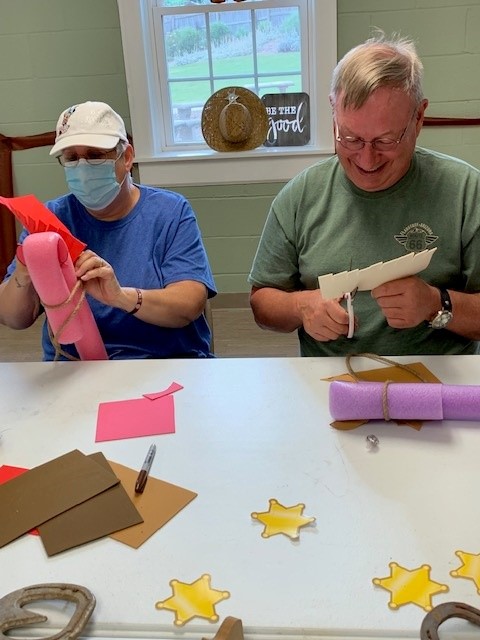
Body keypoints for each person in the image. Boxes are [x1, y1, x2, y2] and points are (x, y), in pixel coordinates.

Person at [248, 32, 480, 356]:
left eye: (386, 141)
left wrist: (436, 304)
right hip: (333, 383)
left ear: (419, 117)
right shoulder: (300, 197)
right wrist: (302, 306)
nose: (366, 160)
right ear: (333, 111)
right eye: (350, 138)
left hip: (435, 384)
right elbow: (262, 302)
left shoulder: (466, 192)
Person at [0, 101, 216, 360]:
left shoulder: (170, 212)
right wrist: (25, 272)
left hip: (162, 362)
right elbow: (14, 318)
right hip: (76, 367)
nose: (82, 168)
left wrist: (121, 297)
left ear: (126, 158)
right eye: (71, 158)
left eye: (94, 155)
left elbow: (188, 305)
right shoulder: (49, 221)